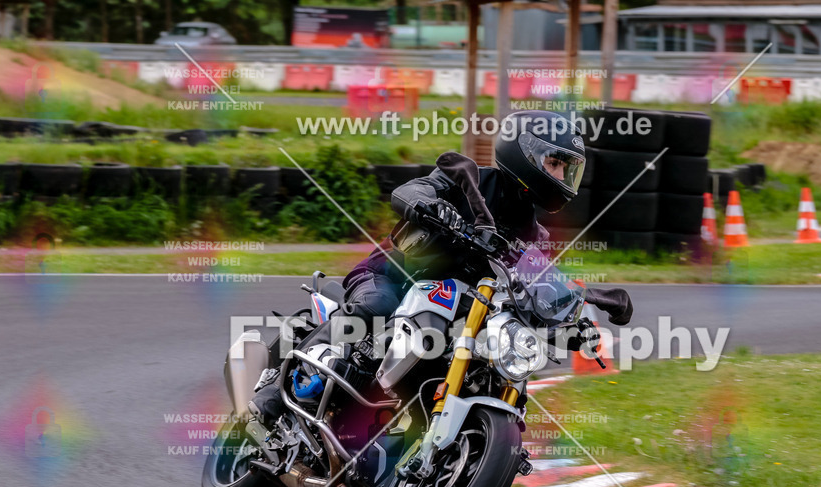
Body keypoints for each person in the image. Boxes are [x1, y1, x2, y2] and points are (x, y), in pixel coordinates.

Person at [249, 110, 586, 427]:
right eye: (553, 163)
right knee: (376, 306)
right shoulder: (468, 176)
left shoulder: (534, 236)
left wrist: (570, 324)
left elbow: (535, 293)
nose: (559, 176)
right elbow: (411, 190)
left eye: (565, 168)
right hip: (390, 278)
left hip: (452, 314)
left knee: (495, 372)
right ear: (522, 153)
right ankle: (271, 394)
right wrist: (431, 206)